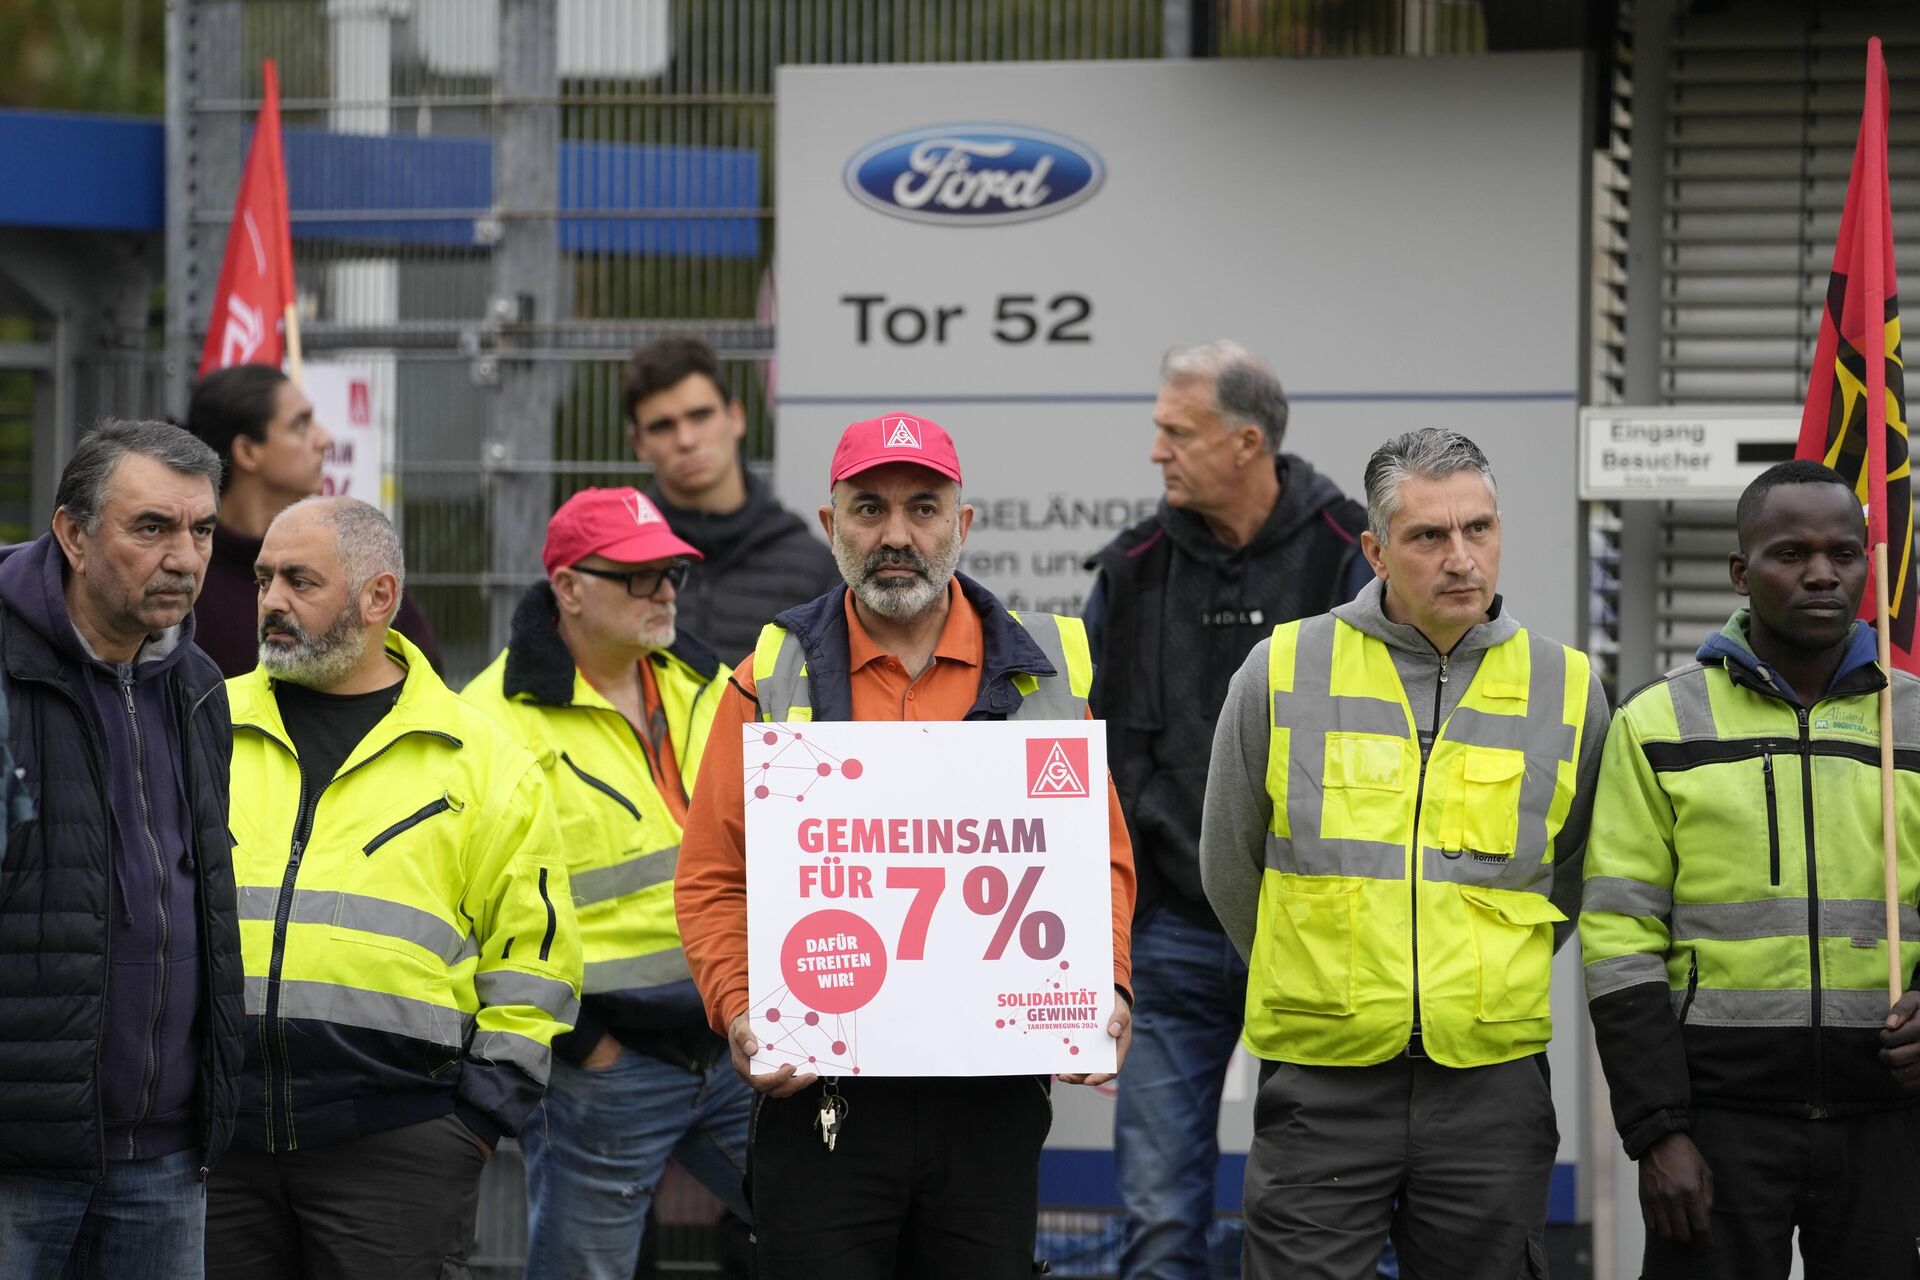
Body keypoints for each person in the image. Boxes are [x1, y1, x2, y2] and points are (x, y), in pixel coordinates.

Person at [674, 412, 1137, 1280]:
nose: (896, 536)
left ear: (962, 526)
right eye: (869, 509)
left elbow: (1098, 860)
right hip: (824, 1102)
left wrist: (1101, 982)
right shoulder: (767, 676)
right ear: (830, 525)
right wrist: (742, 1009)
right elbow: (711, 878)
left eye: (923, 509)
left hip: (990, 1102)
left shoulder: (1046, 673)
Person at [1200, 427, 1608, 1280]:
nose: (1461, 558)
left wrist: (1473, 981)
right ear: (1377, 551)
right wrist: (1320, 977)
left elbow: (1572, 873)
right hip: (1323, 1074)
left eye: (1479, 529)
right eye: (1429, 537)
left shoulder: (1568, 686)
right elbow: (1230, 864)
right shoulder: (1280, 670)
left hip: (1489, 1081)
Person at [205, 496, 582, 1280]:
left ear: (379, 597)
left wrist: (477, 1120)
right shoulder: (205, 721)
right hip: (216, 1141)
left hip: (398, 1148)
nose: (272, 601)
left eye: (300, 582)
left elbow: (536, 958)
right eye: (265, 579)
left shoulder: (481, 759)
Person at [1581, 459, 1920, 1278]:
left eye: (1844, 554)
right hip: (1717, 1127)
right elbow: (1619, 934)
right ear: (1741, 570)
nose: (1820, 574)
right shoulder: (1659, 721)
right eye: (1790, 553)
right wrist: (1658, 1129)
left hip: (1891, 1121)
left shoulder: (1909, 719)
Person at [1083, 340, 1369, 1280]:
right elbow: (1099, 755)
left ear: (1247, 442)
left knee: (1321, 1213)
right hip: (1169, 935)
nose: (1156, 451)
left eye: (1177, 431)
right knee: (1157, 1219)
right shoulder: (1129, 570)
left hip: (1316, 939)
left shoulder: (1354, 558)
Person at [462, 486, 750, 1279]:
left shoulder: (712, 683)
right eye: (638, 575)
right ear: (568, 587)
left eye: (673, 575)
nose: (663, 592)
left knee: (822, 1232)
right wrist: (587, 1045)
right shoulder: (488, 724)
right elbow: (476, 910)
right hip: (609, 1064)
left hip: (739, 1041)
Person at [0, 421, 245, 1279]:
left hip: (167, 1160)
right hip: (17, 1163)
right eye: (152, 528)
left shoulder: (201, 687)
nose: (184, 558)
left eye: (202, 530)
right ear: (72, 534)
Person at [181, 363, 444, 676]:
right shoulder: (188, 579)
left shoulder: (349, 559)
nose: (326, 439)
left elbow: (423, 678)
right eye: (301, 425)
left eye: (301, 582)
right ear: (248, 452)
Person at [626, 336, 840, 660]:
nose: (686, 440)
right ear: (638, 443)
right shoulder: (618, 563)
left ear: (736, 417)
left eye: (700, 416)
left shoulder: (813, 568)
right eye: (662, 426)